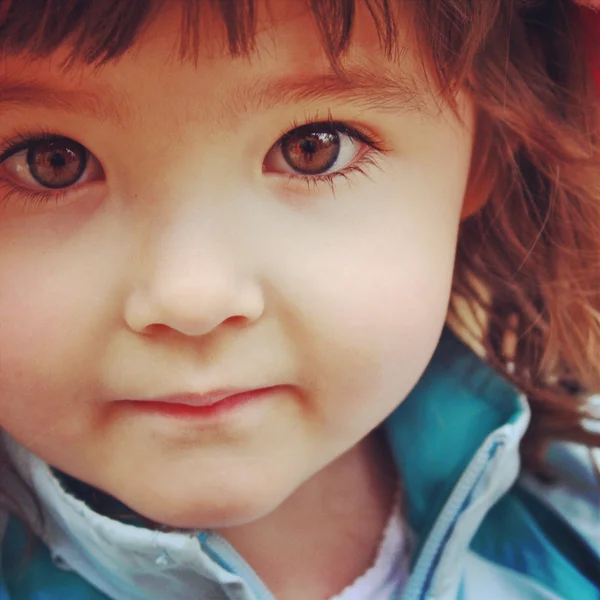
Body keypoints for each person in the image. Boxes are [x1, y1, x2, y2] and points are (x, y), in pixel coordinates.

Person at [0, 0, 598, 598]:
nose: (192, 299)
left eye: (313, 148)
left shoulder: (577, 520)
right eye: (52, 162)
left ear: (485, 153)